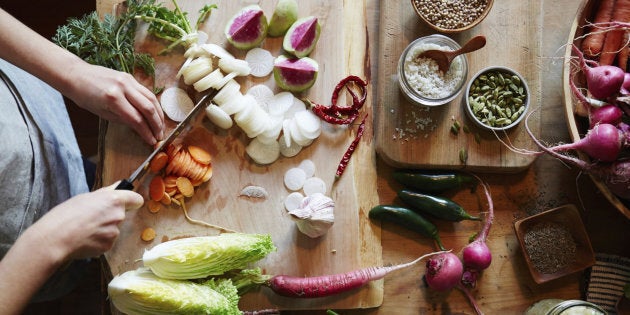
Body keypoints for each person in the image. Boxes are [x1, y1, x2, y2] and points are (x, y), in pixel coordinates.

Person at [0, 7, 165, 314]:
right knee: (85, 266)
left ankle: (87, 173)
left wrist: (73, 71)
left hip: (20, 108)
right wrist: (49, 242)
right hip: (21, 243)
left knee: (81, 169)